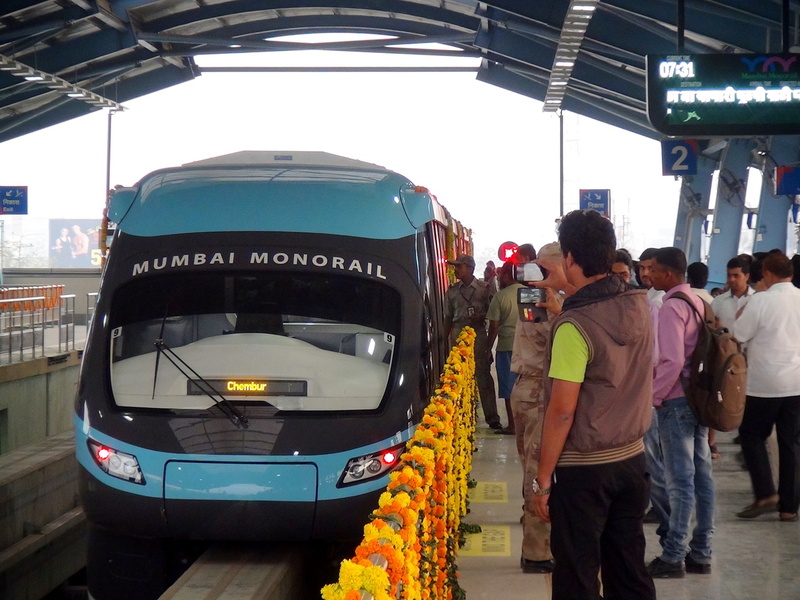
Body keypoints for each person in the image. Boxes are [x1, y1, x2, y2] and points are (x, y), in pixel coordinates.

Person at [534, 210, 656, 600]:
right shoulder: (638, 306)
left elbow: (563, 410)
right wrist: (569, 290)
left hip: (585, 471)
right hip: (633, 462)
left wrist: (543, 479)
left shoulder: (573, 327)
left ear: (569, 258)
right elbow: (603, 306)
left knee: (578, 575)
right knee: (628, 568)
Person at [645, 246, 715, 578]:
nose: (650, 275)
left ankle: (674, 555)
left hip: (675, 401)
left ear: (669, 274)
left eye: (655, 270)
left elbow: (671, 360)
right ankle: (701, 552)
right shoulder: (699, 301)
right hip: (698, 399)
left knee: (679, 481)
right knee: (702, 477)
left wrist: (654, 398)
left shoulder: (672, 307)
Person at [732, 252, 800, 522]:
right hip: (796, 383)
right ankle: (789, 507)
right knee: (791, 443)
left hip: (763, 384)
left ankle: (765, 493)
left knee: (751, 435)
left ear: (767, 275)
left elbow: (739, 334)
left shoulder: (760, 300)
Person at [509, 242, 562, 574]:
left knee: (533, 464)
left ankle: (533, 522)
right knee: (538, 469)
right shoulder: (543, 303)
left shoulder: (546, 299)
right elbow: (557, 338)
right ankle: (536, 552)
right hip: (537, 390)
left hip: (531, 389)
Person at [443, 254, 501, 429]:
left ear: (469, 268)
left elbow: (494, 315)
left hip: (478, 335)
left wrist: (489, 346)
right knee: (457, 379)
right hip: (458, 337)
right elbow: (447, 317)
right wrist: (443, 341)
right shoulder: (452, 291)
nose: (455, 270)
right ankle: (461, 419)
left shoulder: (485, 289)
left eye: (459, 266)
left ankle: (492, 417)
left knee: (483, 377)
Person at [487, 261, 524, 434]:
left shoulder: (500, 297)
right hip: (527, 346)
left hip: (506, 346)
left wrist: (488, 348)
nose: (499, 277)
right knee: (526, 386)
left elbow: (493, 326)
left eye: (502, 274)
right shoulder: (529, 293)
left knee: (509, 388)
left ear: (507, 275)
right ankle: (525, 424)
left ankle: (513, 425)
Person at [711, 255, 754, 330]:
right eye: (729, 275)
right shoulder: (718, 301)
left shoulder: (756, 299)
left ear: (747, 276)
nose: (731, 279)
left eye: (736, 276)